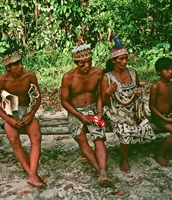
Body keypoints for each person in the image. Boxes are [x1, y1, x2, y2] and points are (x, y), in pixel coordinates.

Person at [0, 36, 45, 188]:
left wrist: (31, 114)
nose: (20, 66)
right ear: (8, 67)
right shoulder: (1, 81)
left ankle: (32, 174)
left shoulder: (29, 76)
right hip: (9, 112)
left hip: (27, 110)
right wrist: (9, 120)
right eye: (16, 65)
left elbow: (38, 97)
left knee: (37, 137)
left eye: (21, 62)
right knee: (14, 139)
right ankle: (32, 174)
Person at [60, 43, 113, 185]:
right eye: (83, 63)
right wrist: (79, 116)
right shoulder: (68, 77)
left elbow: (100, 95)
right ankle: (100, 171)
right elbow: (64, 101)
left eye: (89, 62)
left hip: (93, 108)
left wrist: (100, 112)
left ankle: (103, 172)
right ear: (76, 63)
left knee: (99, 138)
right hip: (75, 111)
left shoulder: (97, 73)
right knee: (81, 138)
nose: (87, 66)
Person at [101, 36, 156, 173]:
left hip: (134, 108)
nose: (124, 61)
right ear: (113, 60)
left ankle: (138, 144)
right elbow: (105, 103)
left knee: (143, 125)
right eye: (121, 59)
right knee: (125, 131)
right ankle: (124, 158)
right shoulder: (107, 77)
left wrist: (138, 92)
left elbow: (138, 87)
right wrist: (107, 92)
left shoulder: (132, 72)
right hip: (116, 111)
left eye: (126, 58)